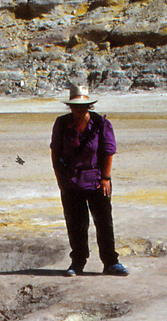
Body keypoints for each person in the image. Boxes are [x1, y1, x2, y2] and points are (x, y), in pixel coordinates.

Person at [50, 85, 129, 277]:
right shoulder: (62, 124)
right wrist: (60, 179)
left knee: (104, 223)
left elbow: (109, 151)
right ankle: (78, 262)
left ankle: (111, 262)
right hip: (71, 182)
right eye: (75, 106)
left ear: (89, 106)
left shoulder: (101, 124)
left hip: (96, 181)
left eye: (83, 106)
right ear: (70, 107)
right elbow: (55, 152)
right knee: (76, 224)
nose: (79, 109)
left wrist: (106, 178)